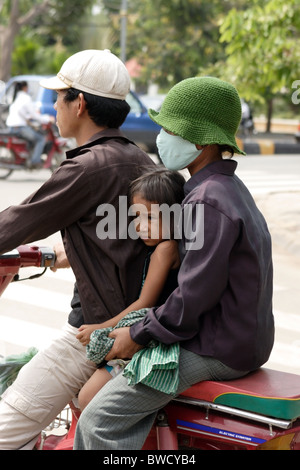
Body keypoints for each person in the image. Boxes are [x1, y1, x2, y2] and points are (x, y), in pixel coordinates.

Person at [73, 76, 274, 450]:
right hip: (240, 340)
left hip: (216, 348)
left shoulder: (206, 201)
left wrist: (136, 335)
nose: (161, 136)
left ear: (201, 141)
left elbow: (192, 298)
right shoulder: (225, 190)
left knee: (99, 419)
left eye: (169, 129)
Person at [0, 49, 155, 450]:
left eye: (58, 97)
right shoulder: (141, 161)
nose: (53, 106)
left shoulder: (87, 168)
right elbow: (122, 240)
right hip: (139, 325)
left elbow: (13, 225)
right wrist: (61, 254)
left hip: (94, 333)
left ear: (80, 103)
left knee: (5, 429)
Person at [76, 167, 185, 410]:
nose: (140, 226)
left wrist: (100, 327)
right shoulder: (170, 245)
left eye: (150, 218)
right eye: (136, 217)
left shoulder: (165, 249)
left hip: (147, 339)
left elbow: (145, 303)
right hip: (157, 332)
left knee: (86, 398)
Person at [6, 81, 52, 168]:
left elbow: (22, 113)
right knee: (41, 139)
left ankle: (28, 156)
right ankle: (35, 161)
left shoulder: (16, 97)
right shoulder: (25, 98)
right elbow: (35, 115)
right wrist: (47, 119)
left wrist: (29, 117)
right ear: (25, 88)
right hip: (20, 128)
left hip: (12, 127)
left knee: (33, 136)